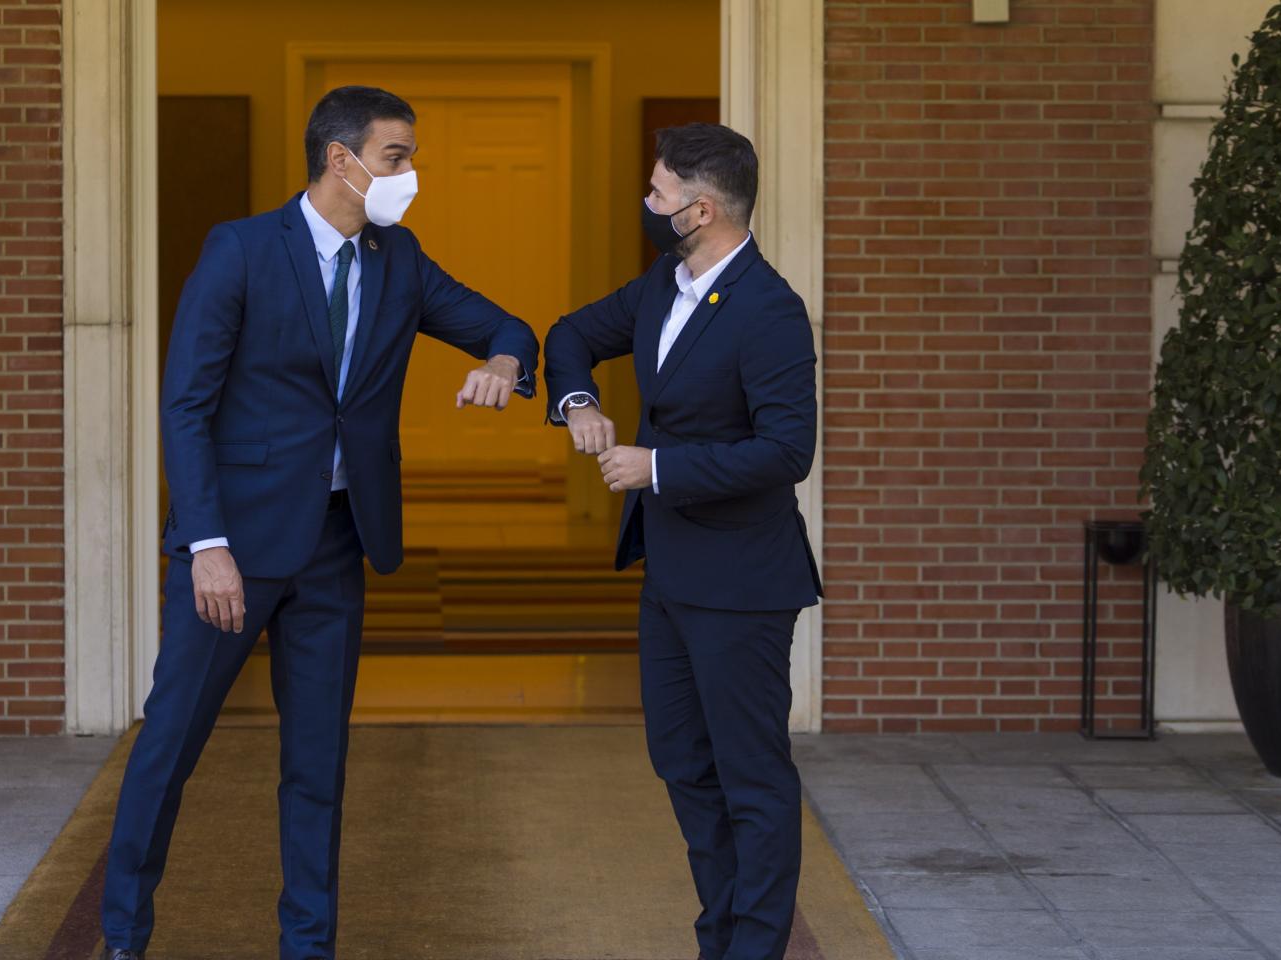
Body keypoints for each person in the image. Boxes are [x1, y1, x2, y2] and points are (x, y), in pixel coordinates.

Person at [101, 85, 538, 960]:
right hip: (234, 550)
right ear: (341, 160)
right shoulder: (242, 250)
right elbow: (185, 405)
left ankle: (308, 946)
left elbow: (507, 324)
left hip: (337, 545)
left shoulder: (401, 258)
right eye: (396, 157)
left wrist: (501, 360)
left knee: (317, 767)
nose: (409, 174)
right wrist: (205, 545)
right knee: (169, 748)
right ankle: (121, 937)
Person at [543, 122, 822, 960]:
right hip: (668, 576)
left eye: (659, 193)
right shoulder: (661, 286)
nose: (648, 203)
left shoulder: (771, 311)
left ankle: (755, 946)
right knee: (681, 762)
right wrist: (578, 404)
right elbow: (569, 335)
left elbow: (786, 451)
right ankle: (722, 934)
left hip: (742, 583)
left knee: (752, 778)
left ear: (701, 210)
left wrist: (657, 467)